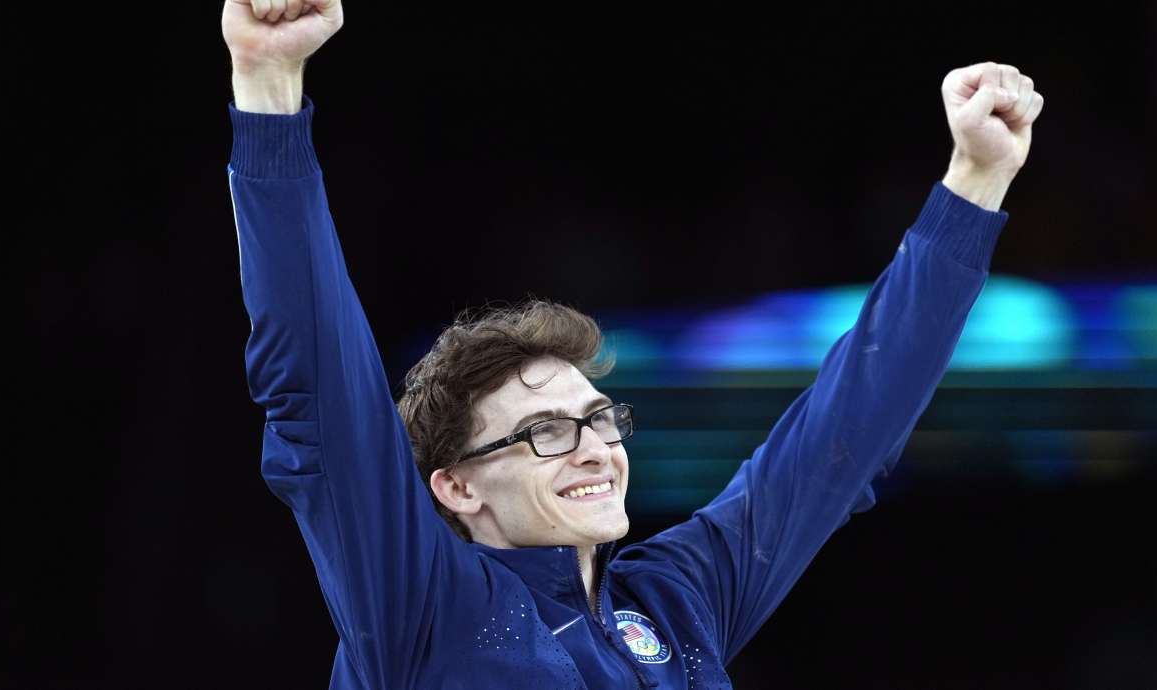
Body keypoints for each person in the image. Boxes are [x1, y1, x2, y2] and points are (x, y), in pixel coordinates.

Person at [221, 2, 1044, 687]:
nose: (594, 450)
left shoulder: (675, 599)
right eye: (545, 432)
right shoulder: (421, 605)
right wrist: (267, 86)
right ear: (456, 487)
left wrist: (975, 181)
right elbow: (319, 392)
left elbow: (844, 433)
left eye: (599, 418)